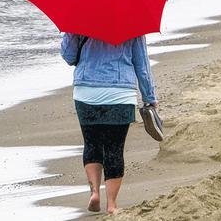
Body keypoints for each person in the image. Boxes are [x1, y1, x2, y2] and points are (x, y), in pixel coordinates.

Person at [60, 33, 158, 214]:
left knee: (91, 144)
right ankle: (111, 204)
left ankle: (95, 192)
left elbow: (69, 56)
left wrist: (72, 33)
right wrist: (149, 97)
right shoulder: (133, 21)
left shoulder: (82, 17)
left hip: (86, 92)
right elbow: (141, 65)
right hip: (120, 94)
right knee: (114, 148)